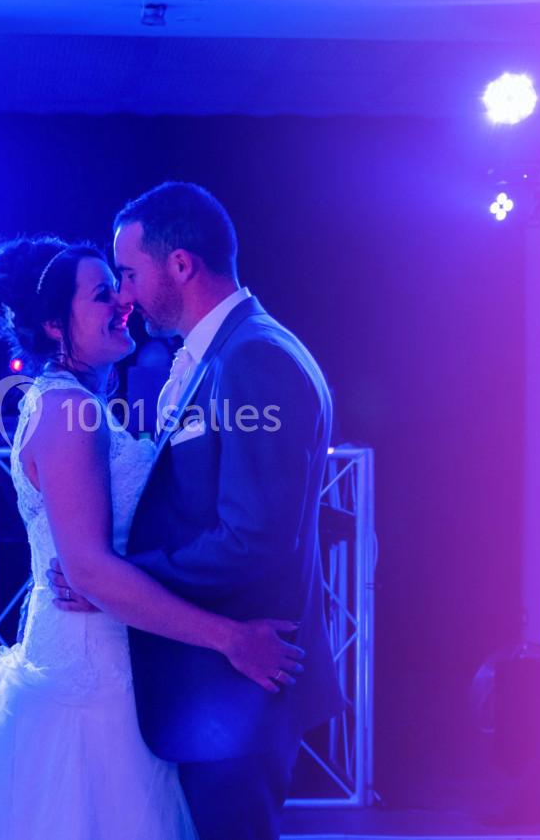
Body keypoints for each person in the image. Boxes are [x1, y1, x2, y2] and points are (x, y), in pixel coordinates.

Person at [0, 236, 305, 840]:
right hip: (85, 684)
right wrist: (229, 638)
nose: (124, 301)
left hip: (119, 664)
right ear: (55, 326)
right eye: (104, 293)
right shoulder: (64, 411)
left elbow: (103, 559)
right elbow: (90, 571)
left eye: (121, 286)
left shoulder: (86, 406)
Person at [49, 182, 344, 840]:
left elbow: (249, 539)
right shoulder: (222, 353)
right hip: (213, 684)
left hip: (239, 678)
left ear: (179, 264)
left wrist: (117, 584)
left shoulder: (253, 359)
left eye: (128, 273)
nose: (123, 293)